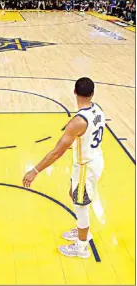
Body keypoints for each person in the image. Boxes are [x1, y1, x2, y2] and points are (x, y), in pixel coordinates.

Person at [23, 77, 105, 259]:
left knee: (81, 204)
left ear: (74, 92)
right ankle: (80, 229)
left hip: (86, 167)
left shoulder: (77, 122)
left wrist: (34, 171)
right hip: (94, 159)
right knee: (73, 194)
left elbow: (56, 153)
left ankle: (82, 247)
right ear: (92, 94)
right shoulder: (97, 108)